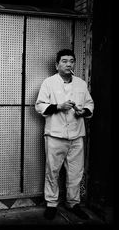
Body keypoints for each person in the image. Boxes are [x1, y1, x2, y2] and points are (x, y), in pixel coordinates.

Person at [35, 49, 94, 220]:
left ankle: (73, 203)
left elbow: (90, 104)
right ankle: (51, 204)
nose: (68, 64)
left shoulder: (81, 84)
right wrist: (58, 106)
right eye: (64, 61)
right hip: (55, 135)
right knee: (52, 171)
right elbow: (39, 105)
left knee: (76, 172)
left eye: (71, 61)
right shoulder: (49, 83)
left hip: (76, 135)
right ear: (57, 64)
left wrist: (83, 111)